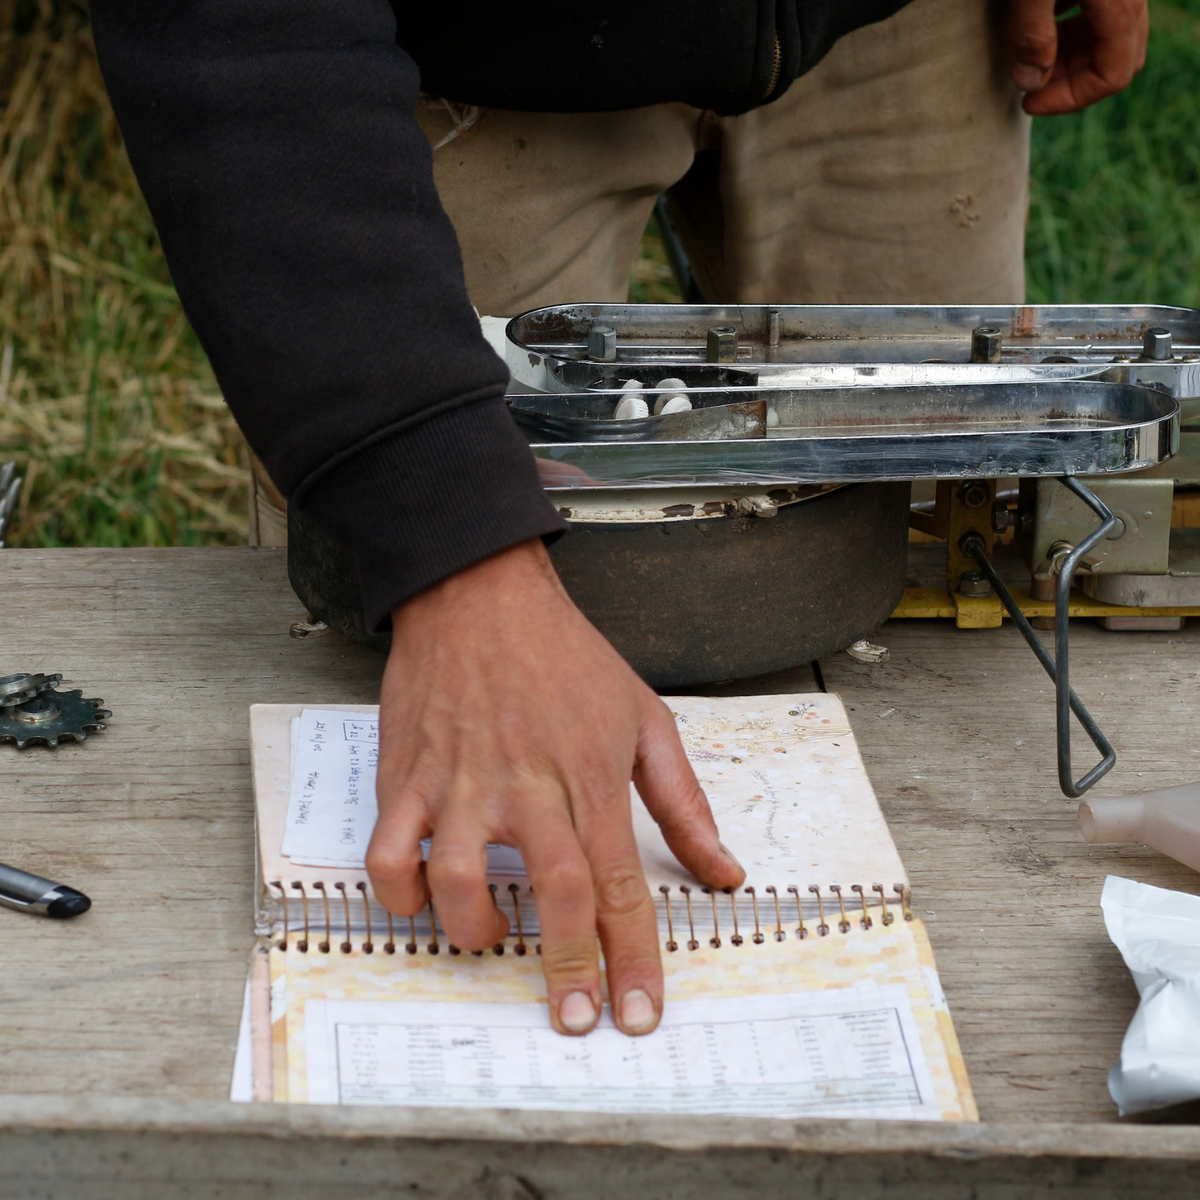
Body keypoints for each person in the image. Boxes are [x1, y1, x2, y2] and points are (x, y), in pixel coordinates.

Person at [88, 0, 1147, 1038]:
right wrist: (447, 534)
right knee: (410, 645)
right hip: (485, 56)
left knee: (951, 647)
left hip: (899, 27)